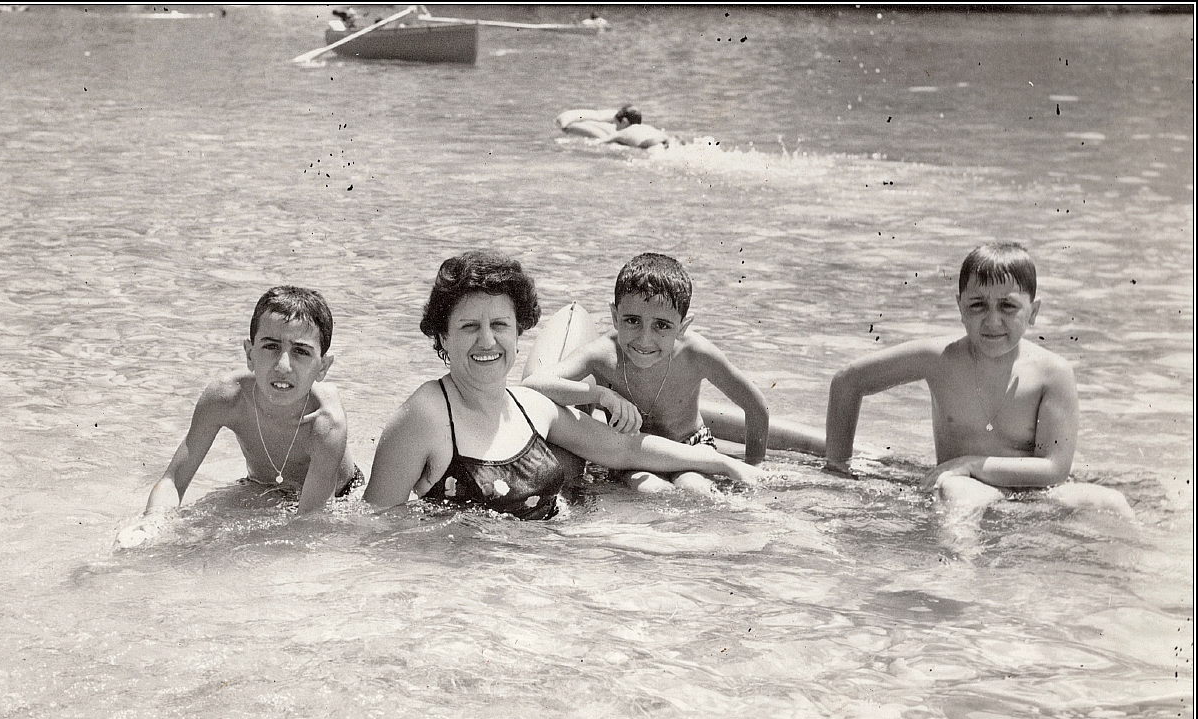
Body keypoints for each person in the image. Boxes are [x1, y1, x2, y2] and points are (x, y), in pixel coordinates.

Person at [363, 250, 767, 519]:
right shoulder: (426, 415)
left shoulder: (531, 406)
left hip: (549, 584)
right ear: (443, 337)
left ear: (519, 332)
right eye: (470, 326)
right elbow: (374, 528)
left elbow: (626, 449)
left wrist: (723, 463)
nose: (487, 341)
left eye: (500, 325)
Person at [824, 242, 1132, 516]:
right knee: (958, 492)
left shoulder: (1053, 372)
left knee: (1113, 503)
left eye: (1008, 306)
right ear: (960, 307)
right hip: (968, 488)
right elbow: (847, 381)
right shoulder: (939, 358)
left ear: (1033, 311)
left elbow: (1055, 468)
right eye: (977, 305)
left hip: (1036, 495)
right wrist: (838, 470)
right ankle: (960, 577)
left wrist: (971, 463)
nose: (993, 319)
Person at [523, 253, 825, 494]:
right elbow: (534, 385)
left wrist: (755, 463)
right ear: (615, 316)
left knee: (695, 489)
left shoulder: (696, 354)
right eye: (632, 320)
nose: (644, 338)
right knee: (651, 490)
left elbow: (755, 405)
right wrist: (601, 394)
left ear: (682, 326)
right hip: (634, 452)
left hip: (691, 446)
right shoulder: (604, 354)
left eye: (662, 325)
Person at [117, 286, 362, 547]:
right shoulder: (226, 398)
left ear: (322, 367)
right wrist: (153, 524)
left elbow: (308, 524)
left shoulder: (325, 424)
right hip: (260, 486)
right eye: (270, 346)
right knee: (161, 535)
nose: (282, 366)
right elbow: (173, 481)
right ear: (249, 354)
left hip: (336, 499)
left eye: (301, 351)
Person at [555, 105, 671, 149]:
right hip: (666, 139)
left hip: (649, 145)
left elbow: (599, 144)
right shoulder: (647, 128)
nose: (615, 127)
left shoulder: (622, 133)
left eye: (616, 124)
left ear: (625, 122)